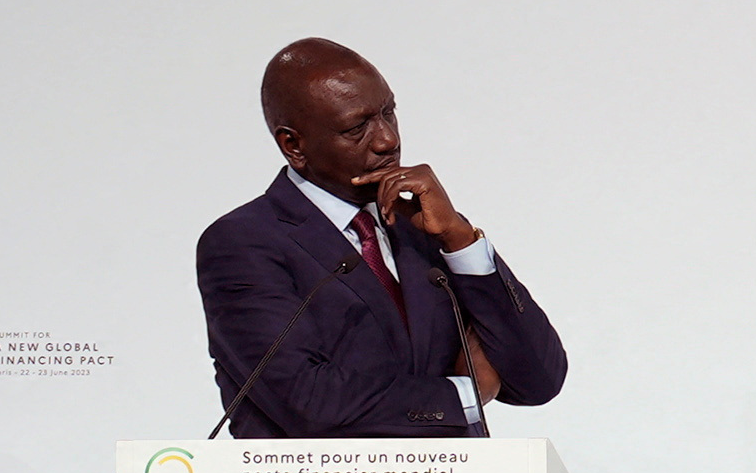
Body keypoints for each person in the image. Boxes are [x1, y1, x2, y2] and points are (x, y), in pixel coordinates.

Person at [197, 36, 571, 437]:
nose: (387, 140)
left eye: (388, 113)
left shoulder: (425, 229)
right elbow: (307, 399)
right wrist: (465, 393)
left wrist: (461, 242)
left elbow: (538, 380)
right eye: (357, 127)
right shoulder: (243, 242)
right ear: (294, 145)